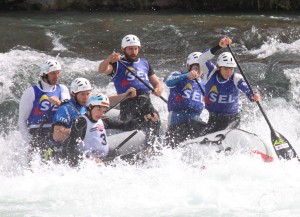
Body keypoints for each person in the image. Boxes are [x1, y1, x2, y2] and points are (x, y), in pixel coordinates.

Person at [50, 77, 137, 161]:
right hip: (70, 151)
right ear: (73, 94)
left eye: (88, 94)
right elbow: (57, 136)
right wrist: (81, 130)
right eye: (82, 94)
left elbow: (104, 101)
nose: (86, 97)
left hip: (90, 149)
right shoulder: (65, 109)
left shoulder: (90, 105)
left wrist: (125, 95)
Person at [98, 34, 162, 143]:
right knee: (130, 126)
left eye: (136, 49)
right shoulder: (117, 64)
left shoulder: (144, 63)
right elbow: (101, 69)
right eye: (130, 49)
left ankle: (151, 148)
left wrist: (158, 89)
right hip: (128, 101)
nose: (133, 52)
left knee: (155, 119)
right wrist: (109, 59)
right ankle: (109, 125)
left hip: (145, 101)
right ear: (124, 49)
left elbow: (156, 82)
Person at [64, 93, 159, 166]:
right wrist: (90, 159)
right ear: (90, 107)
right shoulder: (81, 122)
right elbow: (71, 148)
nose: (101, 113)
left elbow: (125, 126)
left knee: (139, 158)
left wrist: (145, 118)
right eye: (98, 109)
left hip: (105, 157)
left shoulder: (102, 120)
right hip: (89, 163)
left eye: (104, 111)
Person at [199, 37, 261, 134]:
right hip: (214, 118)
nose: (229, 72)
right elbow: (202, 58)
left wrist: (253, 94)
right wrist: (219, 46)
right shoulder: (210, 73)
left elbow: (247, 89)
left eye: (231, 69)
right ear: (219, 67)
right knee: (203, 136)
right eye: (226, 68)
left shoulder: (236, 78)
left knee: (224, 134)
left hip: (232, 119)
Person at [18, 59, 70, 157]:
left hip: (57, 131)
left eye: (58, 73)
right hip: (38, 132)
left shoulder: (62, 89)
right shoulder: (31, 92)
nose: (56, 76)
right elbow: (22, 120)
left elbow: (68, 108)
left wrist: (59, 103)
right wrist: (30, 141)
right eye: (53, 73)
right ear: (45, 75)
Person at [164, 52, 207, 147]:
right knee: (172, 144)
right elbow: (168, 82)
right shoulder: (179, 75)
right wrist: (186, 75)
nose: (198, 70)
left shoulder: (205, 85)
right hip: (177, 119)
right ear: (189, 66)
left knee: (204, 128)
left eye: (201, 67)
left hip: (194, 119)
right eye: (196, 67)